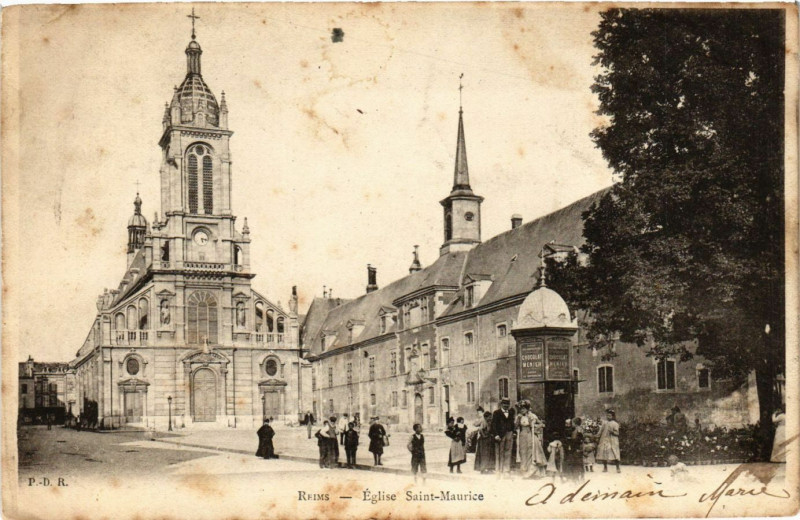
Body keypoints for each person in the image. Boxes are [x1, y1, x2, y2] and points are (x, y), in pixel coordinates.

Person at [492, 398, 516, 478]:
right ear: (501, 404)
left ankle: (506, 470)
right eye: (504, 404)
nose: (506, 406)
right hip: (500, 435)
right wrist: (496, 435)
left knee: (508, 452)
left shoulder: (511, 412)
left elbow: (512, 423)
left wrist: (514, 432)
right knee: (499, 452)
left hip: (509, 434)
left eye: (507, 404)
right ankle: (499, 470)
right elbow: (494, 425)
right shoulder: (496, 413)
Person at [596, 409, 621, 473]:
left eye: (610, 416)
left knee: (615, 453)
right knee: (604, 453)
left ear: (613, 416)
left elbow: (617, 433)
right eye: (607, 415)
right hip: (605, 440)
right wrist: (597, 436)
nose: (608, 417)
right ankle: (605, 467)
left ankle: (618, 468)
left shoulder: (615, 424)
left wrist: (612, 432)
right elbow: (600, 431)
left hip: (613, 440)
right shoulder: (604, 423)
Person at [564, 417, 585, 481]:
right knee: (578, 462)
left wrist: (571, 440)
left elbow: (579, 438)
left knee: (577, 462)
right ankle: (579, 476)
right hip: (577, 446)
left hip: (577, 447)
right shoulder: (577, 429)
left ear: (575, 423)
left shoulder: (578, 430)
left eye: (572, 423)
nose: (571, 424)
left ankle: (578, 476)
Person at [516, 401, 534, 476]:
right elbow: (516, 426)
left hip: (529, 433)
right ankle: (523, 468)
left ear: (527, 409)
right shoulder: (519, 417)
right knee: (522, 450)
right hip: (522, 433)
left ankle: (529, 468)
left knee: (529, 449)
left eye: (524, 409)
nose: (522, 410)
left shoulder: (530, 416)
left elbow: (532, 426)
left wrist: (530, 420)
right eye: (521, 409)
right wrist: (518, 419)